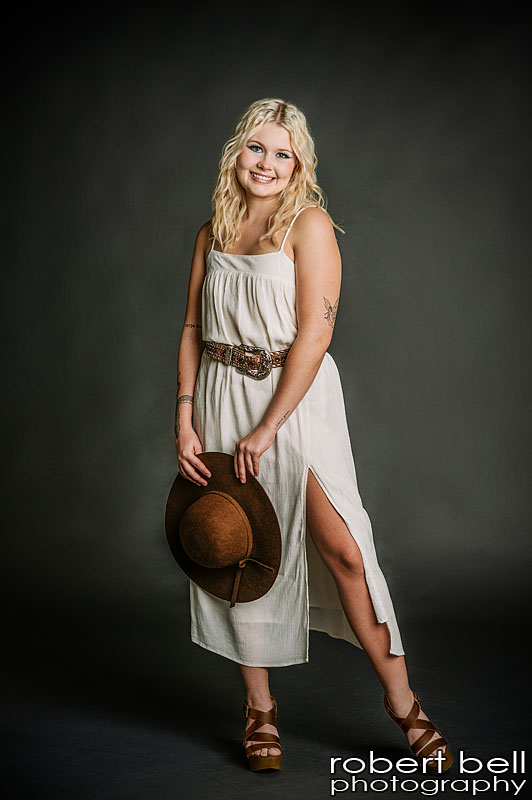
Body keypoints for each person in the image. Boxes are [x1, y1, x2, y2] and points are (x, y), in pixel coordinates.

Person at [173, 98, 452, 773]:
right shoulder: (213, 232)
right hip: (220, 396)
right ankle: (260, 709)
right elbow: (191, 329)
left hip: (293, 401)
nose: (266, 163)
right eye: (256, 148)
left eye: (282, 153)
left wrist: (270, 425)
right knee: (238, 550)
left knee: (345, 551)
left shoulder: (309, 224)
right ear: (237, 153)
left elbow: (316, 333)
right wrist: (184, 415)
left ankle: (403, 703)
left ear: (298, 164)